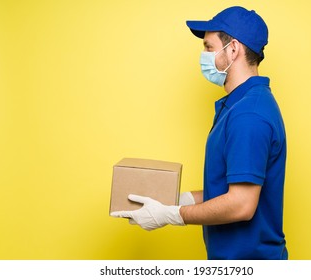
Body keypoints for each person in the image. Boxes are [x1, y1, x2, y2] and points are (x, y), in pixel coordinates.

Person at [112, 6, 288, 260]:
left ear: (234, 49)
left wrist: (172, 215)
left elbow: (241, 204)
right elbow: (230, 192)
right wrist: (175, 200)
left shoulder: (248, 115)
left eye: (208, 47)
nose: (203, 55)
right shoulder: (239, 106)